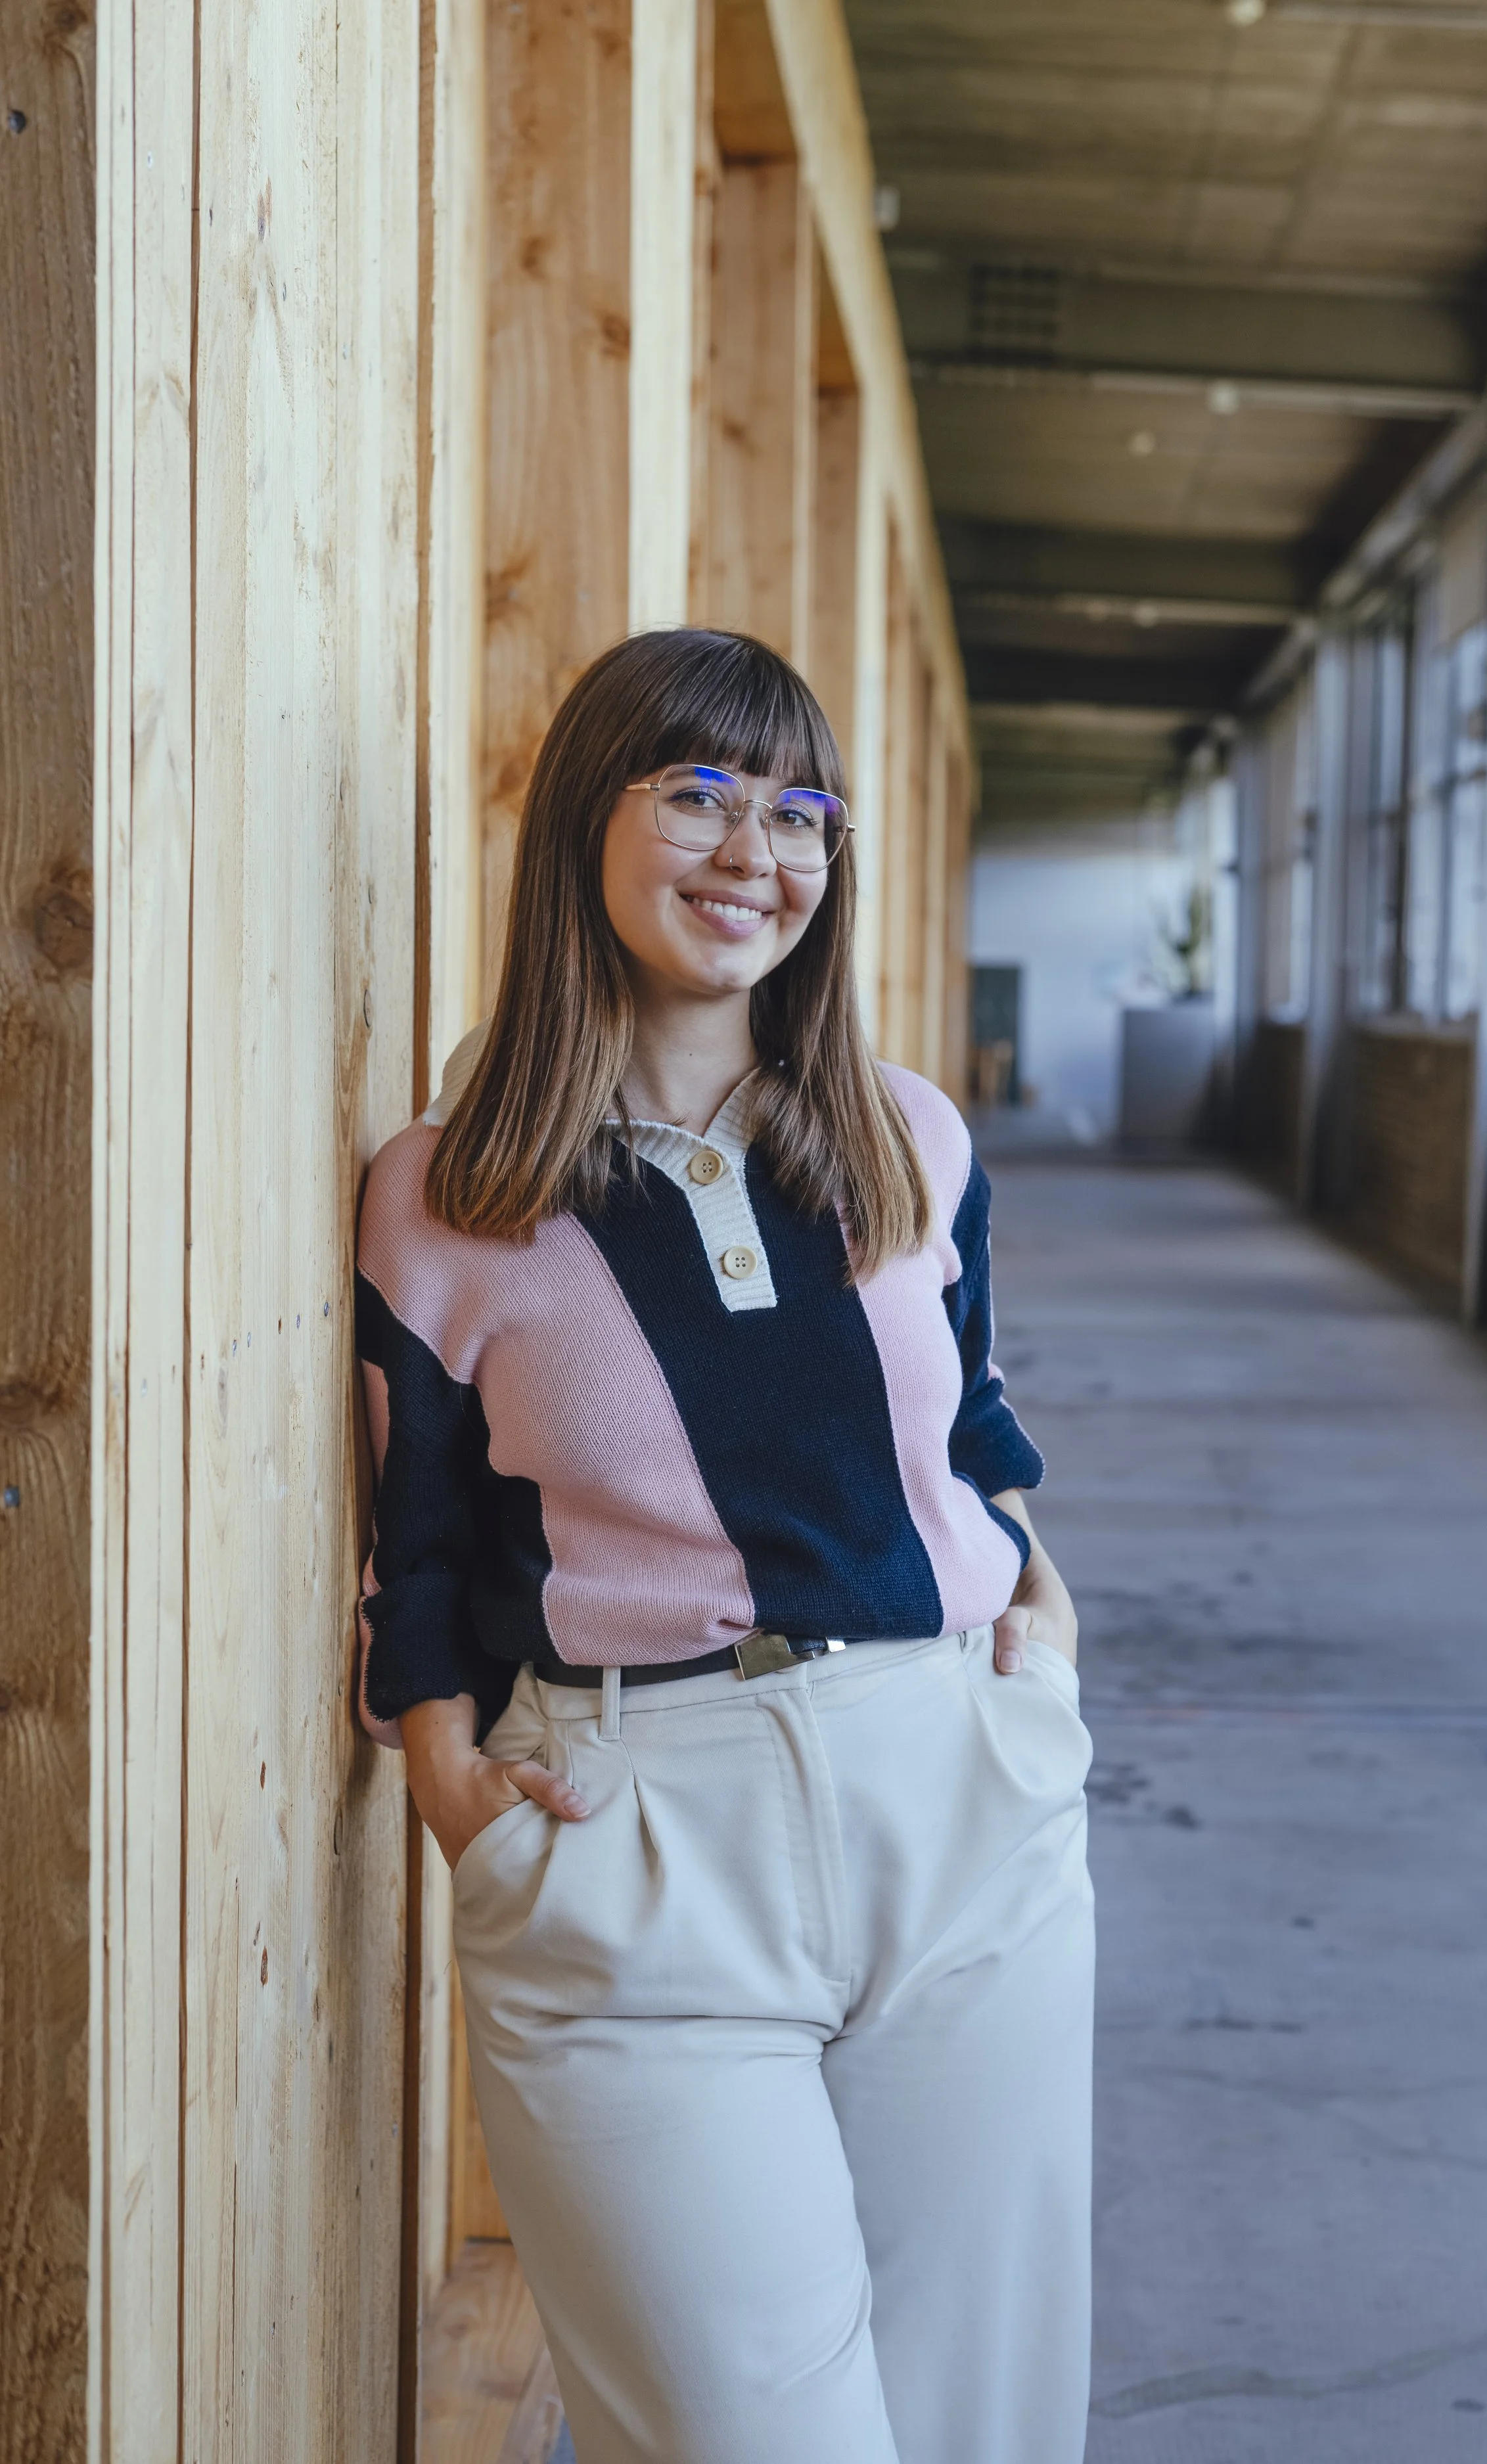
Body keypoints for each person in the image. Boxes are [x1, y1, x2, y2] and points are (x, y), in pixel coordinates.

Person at [354, 627, 1094, 2464]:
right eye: (694, 793)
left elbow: (971, 1418)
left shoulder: (906, 1134)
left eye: (797, 810)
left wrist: (1040, 1633)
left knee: (980, 2424)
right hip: (641, 1831)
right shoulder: (451, 1190)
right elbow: (418, 1536)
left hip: (961, 1798)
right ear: (583, 826)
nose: (752, 849)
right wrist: (460, 1789)